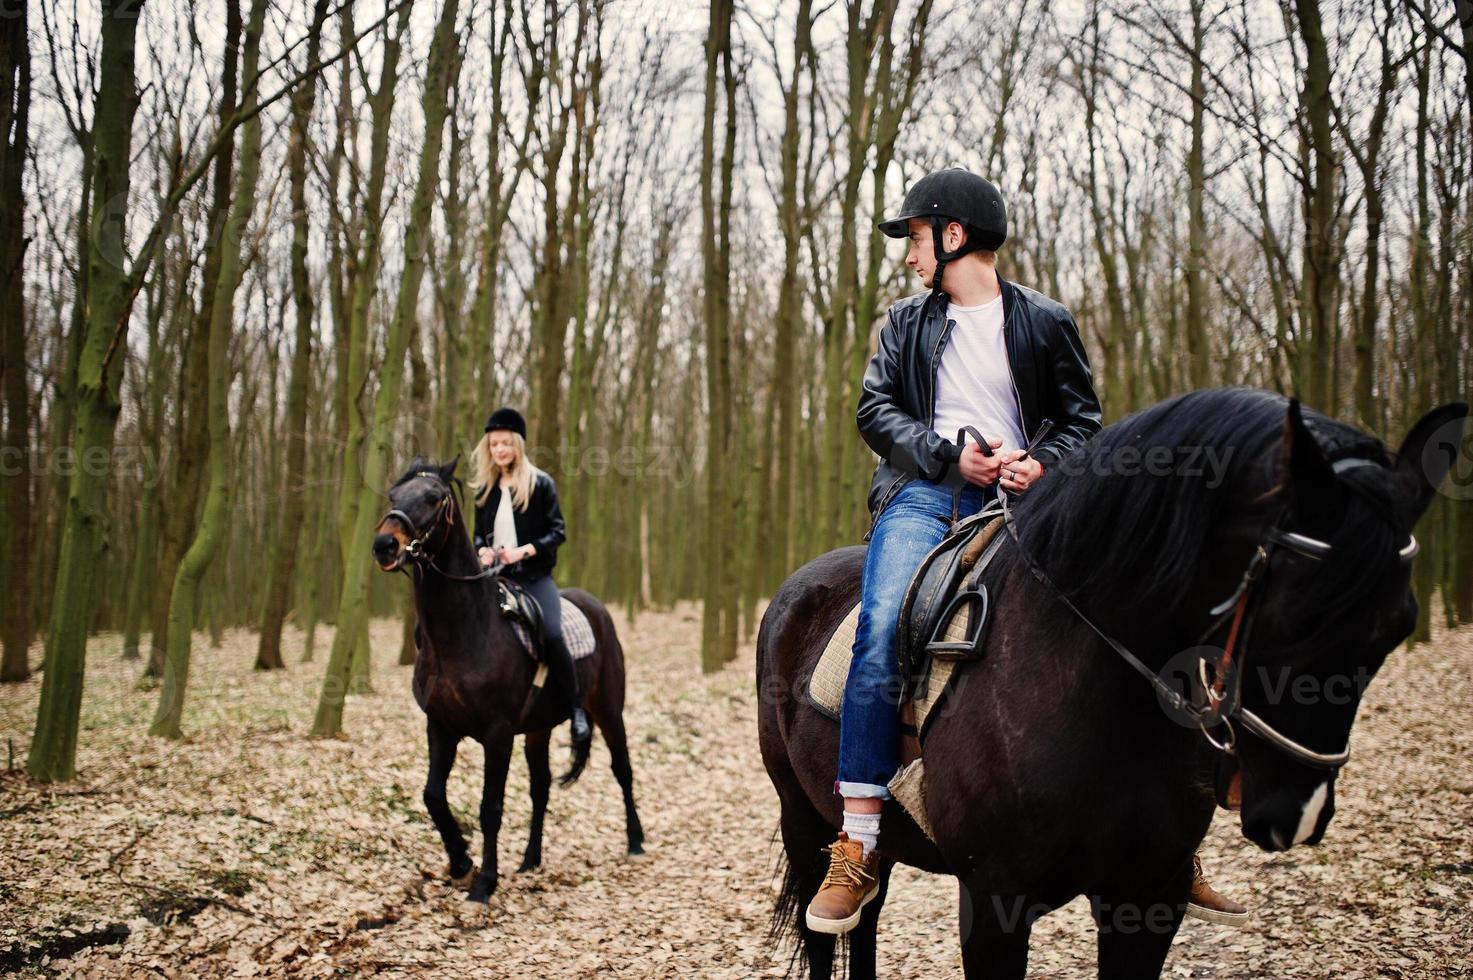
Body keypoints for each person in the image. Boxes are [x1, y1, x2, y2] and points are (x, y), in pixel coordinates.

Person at [805, 167, 1245, 934]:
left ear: (951, 235)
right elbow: (874, 411)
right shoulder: (905, 325)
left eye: (913, 238)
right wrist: (948, 456)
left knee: (1138, 609)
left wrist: (1046, 464)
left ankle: (1175, 833)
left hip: (1037, 498)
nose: (908, 256)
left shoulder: (1044, 320)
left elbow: (1081, 419)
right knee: (880, 625)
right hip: (926, 495)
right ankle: (861, 838)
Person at [469, 407, 591, 746]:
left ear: (517, 445)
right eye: (494, 445)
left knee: (552, 633)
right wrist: (483, 550)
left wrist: (525, 550)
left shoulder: (540, 484)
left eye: (505, 444)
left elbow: (558, 531)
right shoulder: (484, 489)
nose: (499, 451)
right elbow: (479, 534)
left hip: (534, 578)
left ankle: (576, 708)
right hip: (494, 578)